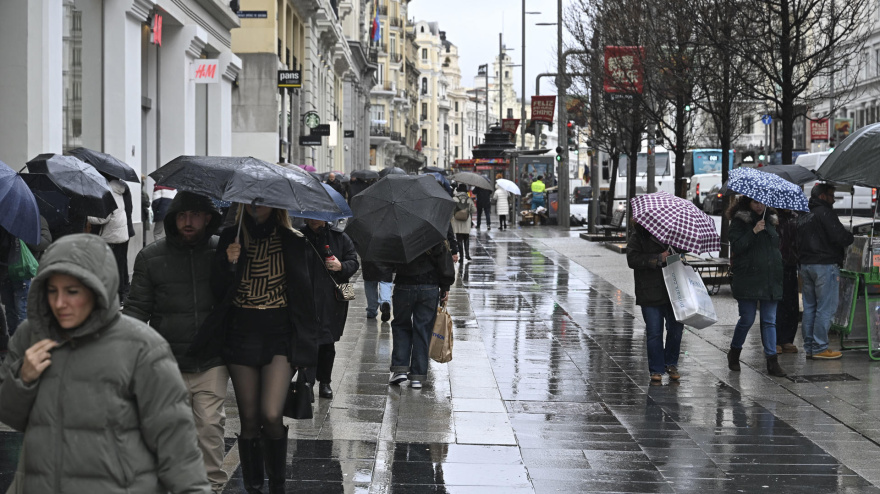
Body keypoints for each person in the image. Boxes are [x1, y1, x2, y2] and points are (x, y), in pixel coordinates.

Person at [0, 234, 210, 493]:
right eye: (52, 291)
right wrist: (24, 378)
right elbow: (11, 416)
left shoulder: (142, 348)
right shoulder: (31, 336)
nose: (59, 303)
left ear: (98, 289)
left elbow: (175, 444)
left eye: (72, 291)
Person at [190, 204, 320, 494]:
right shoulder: (230, 237)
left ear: (275, 203)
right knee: (249, 419)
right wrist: (227, 262)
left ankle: (277, 485)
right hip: (241, 332)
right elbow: (219, 289)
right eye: (250, 197)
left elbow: (305, 296)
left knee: (272, 414)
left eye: (262, 198)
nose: (256, 202)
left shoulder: (294, 240)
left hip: (279, 333)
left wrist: (306, 349)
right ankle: (254, 488)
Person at [123, 192, 229, 493]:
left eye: (195, 215)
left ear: (207, 218)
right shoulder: (151, 257)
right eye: (181, 215)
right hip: (167, 359)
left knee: (209, 425)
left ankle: (210, 486)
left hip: (211, 358)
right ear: (171, 218)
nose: (188, 221)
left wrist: (234, 263)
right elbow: (136, 308)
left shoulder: (222, 251)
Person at [726, 195, 786, 377]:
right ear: (748, 203)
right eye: (755, 202)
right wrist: (753, 231)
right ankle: (734, 352)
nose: (759, 206)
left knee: (769, 321)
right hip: (748, 278)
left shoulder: (771, 220)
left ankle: (772, 361)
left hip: (770, 279)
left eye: (762, 201)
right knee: (747, 319)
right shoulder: (739, 221)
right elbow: (737, 246)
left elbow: (774, 247)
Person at [300, 218, 359, 399]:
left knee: (327, 341)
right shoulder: (299, 236)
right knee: (308, 341)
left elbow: (353, 262)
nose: (312, 220)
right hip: (306, 296)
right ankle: (307, 382)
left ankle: (325, 381)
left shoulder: (340, 237)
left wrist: (341, 266)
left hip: (333, 298)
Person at [388, 238, 455, 389]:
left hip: (404, 285)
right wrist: (445, 287)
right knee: (423, 329)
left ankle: (400, 368)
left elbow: (390, 263)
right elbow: (445, 264)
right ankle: (417, 376)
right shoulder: (435, 234)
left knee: (401, 325)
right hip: (429, 287)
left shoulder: (400, 234)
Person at [798, 183, 854, 360]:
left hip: (806, 265)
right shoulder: (825, 213)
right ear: (822, 196)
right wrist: (849, 237)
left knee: (810, 308)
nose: (834, 200)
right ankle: (820, 347)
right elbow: (839, 236)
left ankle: (810, 347)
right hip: (824, 265)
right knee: (826, 308)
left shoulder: (805, 213)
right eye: (831, 196)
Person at [626, 222, 684, 382]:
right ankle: (656, 369)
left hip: (673, 290)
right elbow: (632, 259)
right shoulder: (639, 234)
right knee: (654, 332)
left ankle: (671, 363)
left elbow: (682, 255)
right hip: (649, 290)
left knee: (676, 329)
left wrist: (678, 251)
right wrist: (658, 258)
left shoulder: (675, 233)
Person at [0, 218, 52, 338]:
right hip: (4, 270)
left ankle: (23, 342)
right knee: (10, 308)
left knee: (21, 307)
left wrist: (23, 236)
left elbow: (45, 242)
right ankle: (14, 341)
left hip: (22, 270)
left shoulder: (35, 217)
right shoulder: (4, 216)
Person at [88, 178, 134, 304]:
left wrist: (89, 216)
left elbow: (103, 218)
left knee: (110, 268)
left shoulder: (108, 192)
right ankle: (120, 297)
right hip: (121, 234)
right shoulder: (121, 190)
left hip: (111, 236)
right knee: (120, 266)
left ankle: (115, 298)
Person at [775, 209, 800, 353]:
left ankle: (787, 339)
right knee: (777, 303)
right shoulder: (770, 217)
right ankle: (775, 340)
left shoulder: (794, 218)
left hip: (791, 263)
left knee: (791, 303)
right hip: (776, 264)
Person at [452, 183, 476, 261]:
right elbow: (474, 210)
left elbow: (451, 210)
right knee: (466, 238)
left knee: (459, 238)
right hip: (466, 221)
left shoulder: (454, 199)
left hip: (457, 221)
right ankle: (467, 255)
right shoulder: (468, 199)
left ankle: (461, 257)